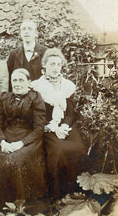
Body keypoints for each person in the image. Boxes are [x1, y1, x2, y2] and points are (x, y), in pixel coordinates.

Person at [31, 48, 87, 199]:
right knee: (59, 150)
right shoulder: (37, 86)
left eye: (58, 64)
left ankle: (74, 190)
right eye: (52, 64)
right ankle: (57, 195)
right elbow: (37, 113)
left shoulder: (67, 86)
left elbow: (70, 112)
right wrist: (54, 128)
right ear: (45, 67)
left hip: (65, 125)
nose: (55, 68)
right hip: (48, 126)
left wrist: (64, 126)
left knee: (79, 147)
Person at [0, 68, 47, 211]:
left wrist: (20, 144)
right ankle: (1, 201)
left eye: (21, 80)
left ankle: (22, 200)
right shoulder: (4, 98)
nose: (17, 84)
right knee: (2, 159)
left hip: (29, 139)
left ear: (28, 82)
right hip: (6, 137)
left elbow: (39, 128)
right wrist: (2, 141)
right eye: (14, 80)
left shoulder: (35, 98)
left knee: (17, 159)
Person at [7, 19, 48, 89]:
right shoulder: (13, 54)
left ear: (36, 33)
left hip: (40, 95)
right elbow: (9, 77)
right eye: (23, 29)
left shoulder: (45, 52)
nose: (26, 32)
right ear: (20, 34)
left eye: (30, 29)